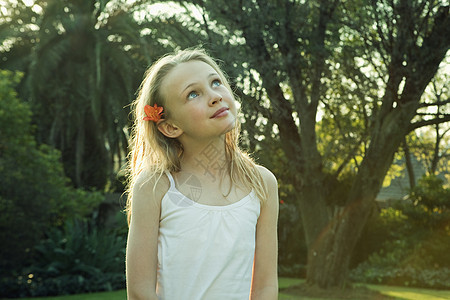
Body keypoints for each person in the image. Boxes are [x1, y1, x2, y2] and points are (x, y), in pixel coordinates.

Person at [125, 48, 279, 300]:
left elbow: (265, 288)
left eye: (216, 82)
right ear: (171, 126)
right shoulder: (156, 186)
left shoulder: (262, 183)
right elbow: (140, 292)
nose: (215, 96)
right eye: (193, 94)